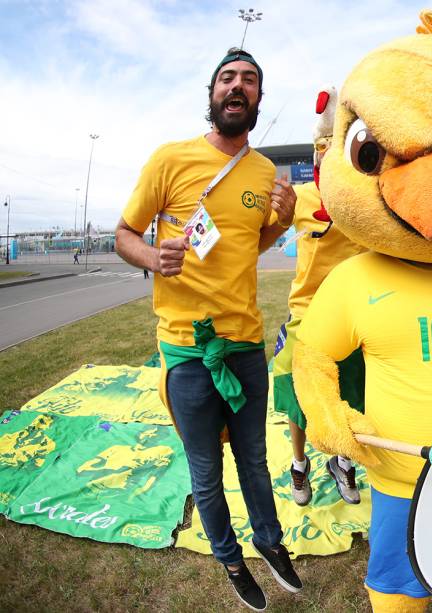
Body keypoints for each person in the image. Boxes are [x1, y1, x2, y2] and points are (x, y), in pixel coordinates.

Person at [114, 47, 302, 610]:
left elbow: (250, 244)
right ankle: (229, 558)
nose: (237, 87)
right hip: (187, 350)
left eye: (248, 80)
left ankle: (269, 542)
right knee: (206, 470)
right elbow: (123, 233)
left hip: (245, 343)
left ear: (258, 100)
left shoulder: (265, 172)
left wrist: (283, 222)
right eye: (228, 79)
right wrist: (151, 258)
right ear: (213, 93)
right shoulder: (170, 160)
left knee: (254, 459)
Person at [272, 86, 366, 507]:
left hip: (350, 316)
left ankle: (342, 461)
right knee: (296, 394)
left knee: (350, 393)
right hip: (305, 314)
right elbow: (266, 232)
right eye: (322, 154)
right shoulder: (302, 199)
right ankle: (299, 463)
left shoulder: (364, 202)